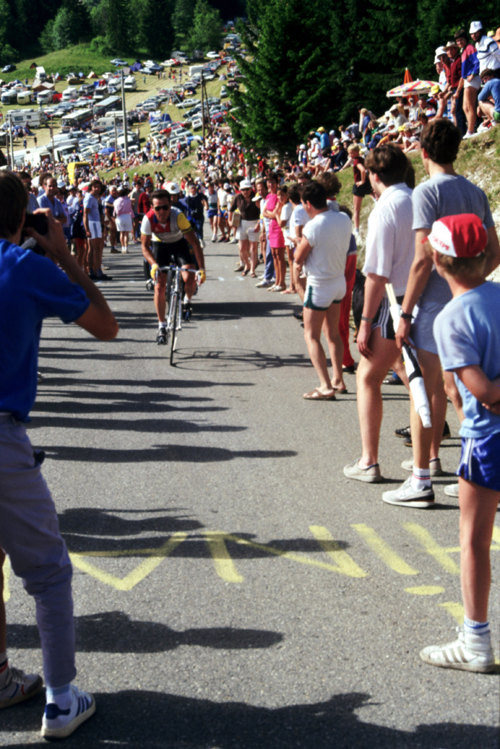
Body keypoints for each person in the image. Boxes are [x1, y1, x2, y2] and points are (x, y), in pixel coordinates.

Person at [0, 171, 118, 736]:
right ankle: (61, 698)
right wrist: (64, 256)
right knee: (47, 573)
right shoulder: (25, 267)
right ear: (23, 218)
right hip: (1, 435)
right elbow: (106, 326)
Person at [386, 119, 500, 508]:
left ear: (424, 152)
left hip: (433, 303)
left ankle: (421, 476)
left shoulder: (426, 193)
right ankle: (469, 467)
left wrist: (404, 312)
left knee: (425, 391)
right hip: (468, 295)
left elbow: (421, 259)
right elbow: (494, 249)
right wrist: (472, 282)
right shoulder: (475, 191)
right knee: (457, 391)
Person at [419, 213, 498, 673]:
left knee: (473, 542)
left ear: (435, 258)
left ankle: (475, 642)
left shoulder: (451, 319)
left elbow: (484, 396)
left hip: (487, 440)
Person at [343, 145, 414, 483]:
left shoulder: (383, 209)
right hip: (423, 298)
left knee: (368, 377)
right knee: (424, 381)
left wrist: (365, 322)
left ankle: (369, 460)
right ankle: (425, 461)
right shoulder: (420, 198)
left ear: (373, 175)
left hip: (392, 300)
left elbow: (375, 274)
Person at [295, 181, 352, 400]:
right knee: (333, 333)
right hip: (339, 282)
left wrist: (300, 243)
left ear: (308, 204)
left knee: (311, 335)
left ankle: (325, 385)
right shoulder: (344, 218)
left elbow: (298, 258)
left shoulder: (313, 225)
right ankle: (338, 379)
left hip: (319, 284)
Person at [140, 189, 206, 344]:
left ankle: (187, 301)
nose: (162, 211)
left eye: (165, 207)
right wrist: (154, 265)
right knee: (159, 287)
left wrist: (201, 269)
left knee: (189, 277)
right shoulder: (148, 219)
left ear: (171, 205)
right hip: (160, 246)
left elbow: (195, 244)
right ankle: (161, 326)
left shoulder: (178, 216)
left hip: (179, 245)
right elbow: (144, 247)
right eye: (157, 208)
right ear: (152, 208)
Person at [228, 179, 260, 277]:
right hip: (242, 223)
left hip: (254, 222)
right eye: (243, 190)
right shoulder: (238, 197)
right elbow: (231, 209)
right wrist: (230, 221)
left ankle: (252, 270)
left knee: (253, 248)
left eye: (247, 189)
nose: (245, 192)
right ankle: (247, 264)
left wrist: (259, 223)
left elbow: (262, 211)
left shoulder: (256, 197)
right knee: (242, 248)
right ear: (240, 190)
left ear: (251, 189)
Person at [454, 29, 481, 139]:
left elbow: (477, 61)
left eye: (461, 40)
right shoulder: (463, 51)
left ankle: (470, 130)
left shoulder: (470, 48)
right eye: (457, 41)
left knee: (470, 106)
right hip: (467, 80)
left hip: (472, 79)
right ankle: (471, 128)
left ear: (465, 39)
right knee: (465, 107)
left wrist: (473, 74)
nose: (459, 42)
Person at [83, 180, 108, 280]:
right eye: (95, 187)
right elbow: (85, 214)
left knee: (92, 249)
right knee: (96, 248)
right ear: (91, 187)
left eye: (98, 187)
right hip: (92, 223)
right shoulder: (89, 197)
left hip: (96, 222)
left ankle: (93, 271)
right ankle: (98, 272)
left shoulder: (94, 198)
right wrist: (87, 229)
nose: (97, 189)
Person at [113, 187, 135, 253]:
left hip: (119, 217)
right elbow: (131, 209)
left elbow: (115, 210)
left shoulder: (116, 201)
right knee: (126, 233)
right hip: (127, 216)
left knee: (121, 233)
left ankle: (122, 247)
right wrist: (132, 216)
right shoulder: (128, 201)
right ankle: (126, 247)